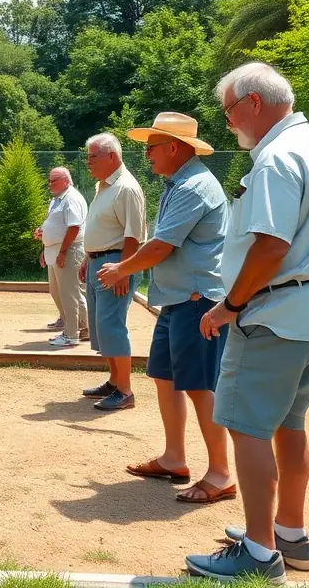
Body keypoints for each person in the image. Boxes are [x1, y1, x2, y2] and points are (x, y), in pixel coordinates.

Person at [185, 63, 309, 583]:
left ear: (253, 103)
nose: (229, 123)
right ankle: (290, 534)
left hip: (275, 313)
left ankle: (259, 555)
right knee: (289, 422)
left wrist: (230, 305)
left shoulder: (278, 157)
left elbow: (271, 245)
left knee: (246, 425)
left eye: (229, 111)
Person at [96, 113, 233, 504]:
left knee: (199, 385)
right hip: (177, 300)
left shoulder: (194, 186)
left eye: (151, 148)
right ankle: (174, 458)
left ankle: (221, 473)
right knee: (166, 378)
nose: (147, 156)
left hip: (196, 301)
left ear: (174, 147)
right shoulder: (180, 182)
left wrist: (121, 267)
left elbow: (162, 245)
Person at [80, 133, 146, 411]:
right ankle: (114, 381)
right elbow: (101, 227)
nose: (89, 162)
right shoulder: (104, 186)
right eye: (88, 157)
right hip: (99, 262)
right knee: (102, 327)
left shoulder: (126, 188)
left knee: (113, 327)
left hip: (115, 263)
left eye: (93, 156)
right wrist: (87, 257)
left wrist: (123, 271)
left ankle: (126, 391)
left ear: (112, 156)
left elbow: (134, 235)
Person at [33, 167, 89, 347]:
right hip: (55, 251)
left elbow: (74, 227)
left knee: (69, 294)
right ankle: (84, 327)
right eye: (49, 180)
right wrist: (44, 240)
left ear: (65, 180)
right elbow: (56, 227)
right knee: (59, 291)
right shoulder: (57, 200)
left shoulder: (71, 198)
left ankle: (71, 334)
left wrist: (63, 252)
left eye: (53, 180)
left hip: (69, 251)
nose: (49, 184)